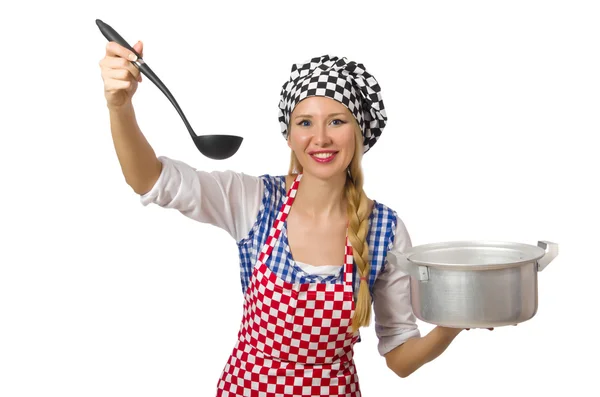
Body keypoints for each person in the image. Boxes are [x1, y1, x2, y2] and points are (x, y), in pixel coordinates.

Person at [99, 40, 467, 396]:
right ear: (289, 135)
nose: (320, 138)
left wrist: (451, 325)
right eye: (305, 123)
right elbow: (149, 179)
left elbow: (400, 357)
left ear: (358, 133)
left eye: (336, 121)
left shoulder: (385, 231)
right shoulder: (255, 201)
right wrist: (119, 106)